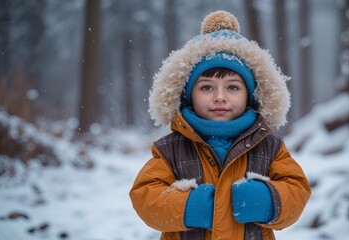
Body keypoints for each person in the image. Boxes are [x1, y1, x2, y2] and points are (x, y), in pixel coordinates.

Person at [130, 10, 311, 240]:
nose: (219, 97)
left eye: (232, 87)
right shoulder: (172, 149)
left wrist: (267, 200)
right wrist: (189, 206)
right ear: (188, 95)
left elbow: (297, 190)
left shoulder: (268, 146)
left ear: (251, 95)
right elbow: (145, 196)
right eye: (207, 87)